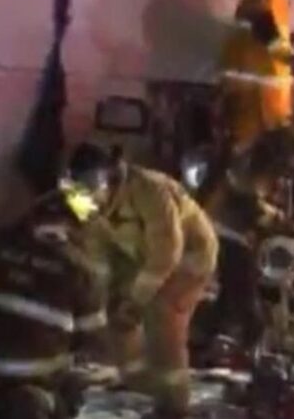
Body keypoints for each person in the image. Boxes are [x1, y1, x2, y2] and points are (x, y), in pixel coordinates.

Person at [0, 170, 110, 419]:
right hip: (32, 380)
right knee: (81, 377)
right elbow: (93, 341)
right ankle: (40, 402)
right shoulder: (81, 269)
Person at [75, 143, 218, 418]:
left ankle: (175, 405)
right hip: (140, 254)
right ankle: (141, 383)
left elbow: (167, 252)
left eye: (92, 186)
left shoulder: (150, 191)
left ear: (112, 177)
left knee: (162, 317)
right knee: (117, 313)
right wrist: (99, 298)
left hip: (188, 257)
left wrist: (136, 300)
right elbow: (95, 251)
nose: (87, 198)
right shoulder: (85, 199)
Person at [198, 120, 294, 350]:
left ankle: (209, 336)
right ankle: (252, 343)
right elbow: (247, 202)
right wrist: (277, 222)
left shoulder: (261, 155)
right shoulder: (258, 161)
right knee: (243, 293)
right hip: (228, 231)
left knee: (231, 293)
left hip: (223, 228)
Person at [218, 0, 294, 152]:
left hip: (249, 83)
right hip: (261, 90)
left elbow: (261, 27)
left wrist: (288, 38)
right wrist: (289, 56)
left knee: (244, 148)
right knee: (258, 151)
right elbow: (265, 27)